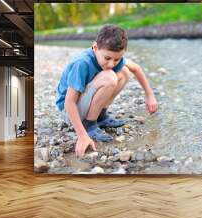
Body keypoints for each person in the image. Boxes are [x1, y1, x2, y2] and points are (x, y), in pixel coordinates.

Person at [55, 24, 158, 157]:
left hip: (82, 105)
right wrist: (82, 135)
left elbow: (136, 68)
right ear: (95, 47)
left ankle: (101, 117)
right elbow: (69, 102)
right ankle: (89, 125)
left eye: (117, 59)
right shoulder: (82, 63)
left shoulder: (113, 59)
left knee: (125, 72)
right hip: (69, 112)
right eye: (107, 58)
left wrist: (150, 95)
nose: (111, 63)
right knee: (109, 77)